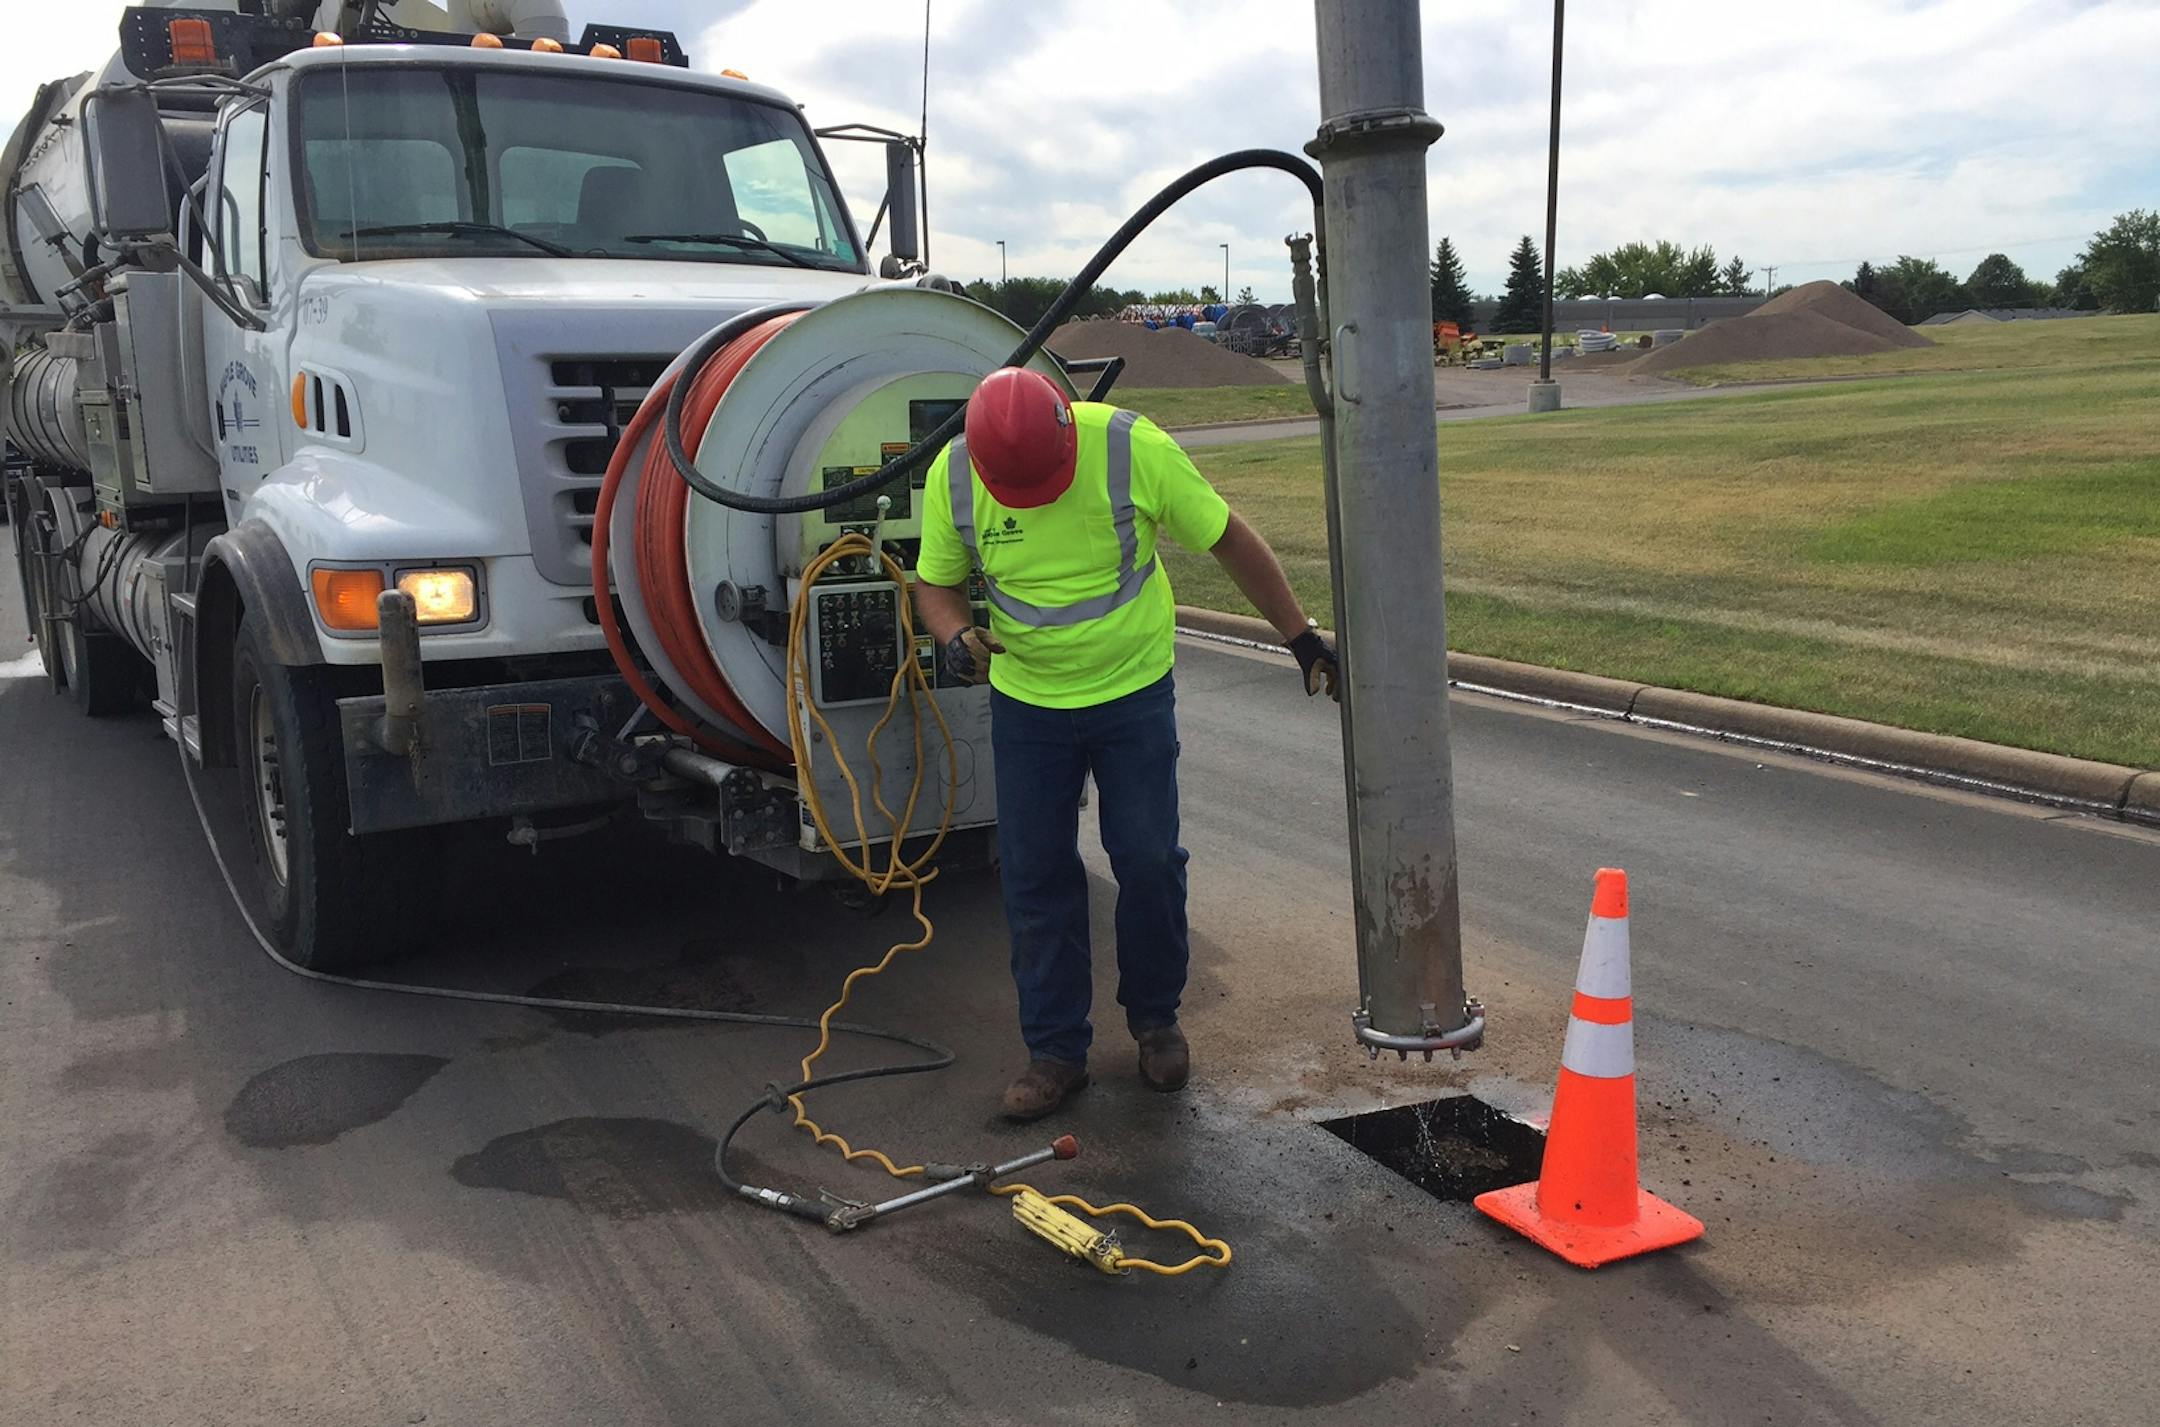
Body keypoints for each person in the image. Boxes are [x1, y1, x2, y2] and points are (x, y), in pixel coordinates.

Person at [913, 366, 1338, 1121]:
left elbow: (1227, 538)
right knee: (1036, 875)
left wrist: (1299, 636)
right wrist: (952, 636)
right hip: (1029, 704)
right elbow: (935, 584)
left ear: (1067, 436)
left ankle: (1155, 1020)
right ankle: (1055, 1053)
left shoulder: (1130, 447)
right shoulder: (955, 474)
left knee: (1147, 859)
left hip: (1131, 691)